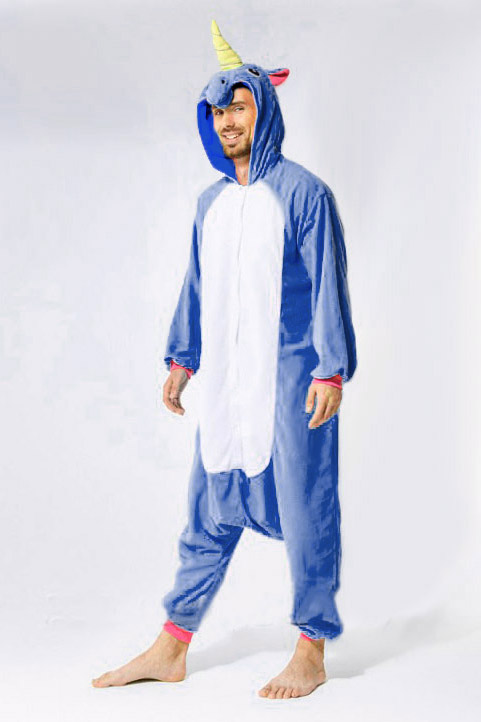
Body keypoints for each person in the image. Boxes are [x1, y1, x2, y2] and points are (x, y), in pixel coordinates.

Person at [92, 19, 357, 700]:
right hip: (228, 387)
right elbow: (197, 285)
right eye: (216, 111)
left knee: (307, 507)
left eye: (237, 106)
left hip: (293, 383)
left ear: (262, 111)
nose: (226, 121)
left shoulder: (303, 193)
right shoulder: (209, 204)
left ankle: (311, 649)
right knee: (208, 508)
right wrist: (182, 361)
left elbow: (327, 286)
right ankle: (171, 646)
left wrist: (331, 369)